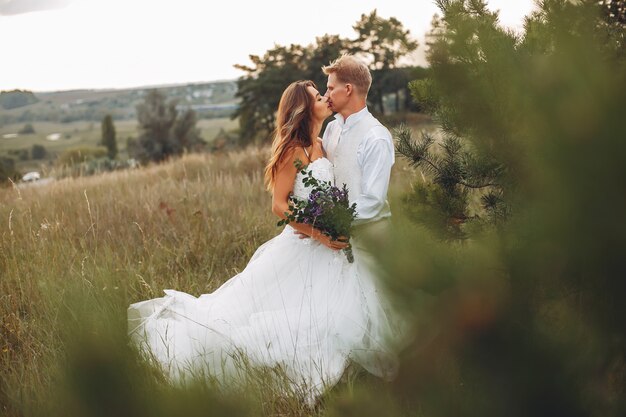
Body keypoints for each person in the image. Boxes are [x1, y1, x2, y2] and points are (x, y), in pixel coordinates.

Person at [127, 80, 399, 406]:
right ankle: (290, 383)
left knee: (331, 311)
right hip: (303, 244)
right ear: (303, 107)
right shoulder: (293, 152)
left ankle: (340, 377)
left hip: (331, 248)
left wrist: (340, 223)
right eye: (317, 96)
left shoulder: (323, 145)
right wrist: (320, 233)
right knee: (280, 318)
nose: (325, 98)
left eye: (325, 92)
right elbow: (280, 205)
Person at [321, 54, 395, 251]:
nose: (326, 95)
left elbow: (373, 200)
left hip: (371, 245)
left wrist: (333, 223)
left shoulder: (376, 137)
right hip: (335, 246)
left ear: (347, 89)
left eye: (330, 88)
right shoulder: (330, 129)